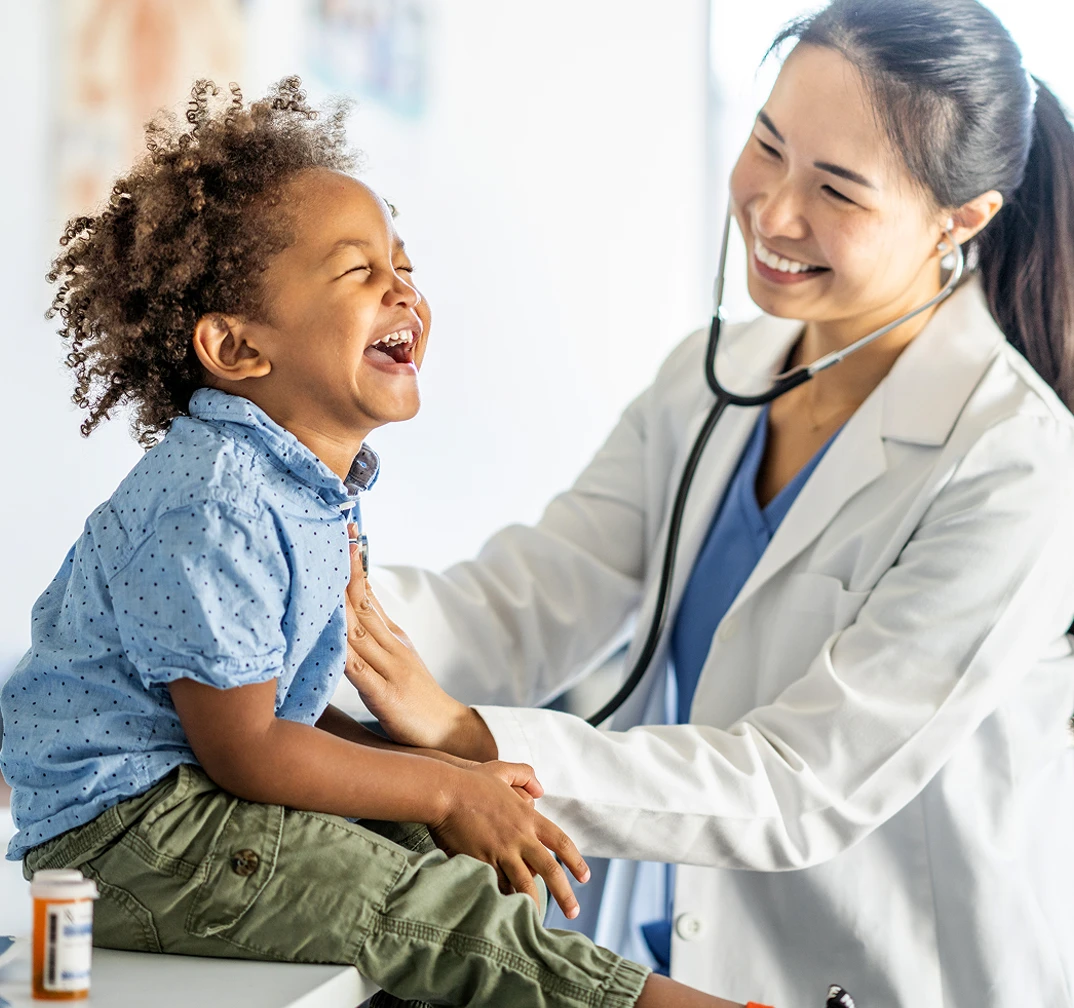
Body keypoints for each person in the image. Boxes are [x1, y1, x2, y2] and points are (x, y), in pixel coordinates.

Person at [341, 2, 1074, 1004]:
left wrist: (468, 741)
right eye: (767, 146)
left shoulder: (1016, 465)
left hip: (901, 976)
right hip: (692, 951)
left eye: (837, 191)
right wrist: (302, 590)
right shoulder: (712, 376)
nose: (774, 212)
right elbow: (528, 600)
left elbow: (801, 781)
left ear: (962, 220)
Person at [0, 78, 767, 1008]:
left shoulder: (306, 487)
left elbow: (277, 705)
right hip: (125, 838)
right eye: (358, 271)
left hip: (189, 800)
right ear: (238, 349)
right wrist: (441, 788)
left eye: (403, 265)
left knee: (444, 860)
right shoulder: (213, 500)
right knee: (432, 905)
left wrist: (432, 777)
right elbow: (245, 748)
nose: (403, 287)